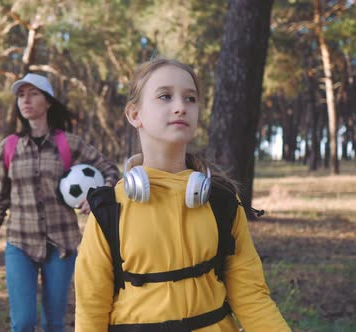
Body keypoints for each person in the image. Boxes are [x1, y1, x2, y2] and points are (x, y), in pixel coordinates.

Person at [75, 59, 290, 331]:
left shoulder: (221, 202)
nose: (180, 107)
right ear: (134, 114)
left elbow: (251, 296)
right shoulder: (110, 209)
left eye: (190, 98)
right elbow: (90, 308)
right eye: (165, 96)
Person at [0, 73, 120, 332]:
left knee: (53, 323)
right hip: (20, 244)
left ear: (48, 102)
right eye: (21, 95)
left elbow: (109, 169)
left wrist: (100, 192)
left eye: (33, 94)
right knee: (22, 323)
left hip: (62, 245)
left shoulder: (68, 144)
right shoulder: (9, 147)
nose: (26, 100)